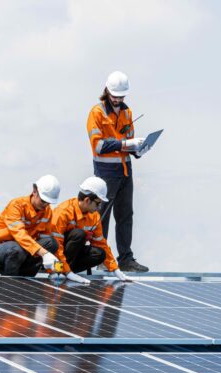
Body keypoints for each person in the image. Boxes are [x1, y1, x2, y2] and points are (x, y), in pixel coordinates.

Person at [86, 70, 151, 273]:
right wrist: (125, 144)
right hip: (105, 173)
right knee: (102, 217)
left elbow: (129, 144)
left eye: (121, 96)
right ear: (107, 91)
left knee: (125, 216)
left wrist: (139, 149)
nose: (117, 100)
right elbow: (98, 146)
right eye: (115, 96)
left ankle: (126, 259)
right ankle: (101, 258)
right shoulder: (97, 113)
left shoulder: (127, 112)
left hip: (124, 172)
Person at [51, 176, 130, 284]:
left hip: (70, 259)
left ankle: (69, 270)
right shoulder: (63, 213)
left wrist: (115, 269)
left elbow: (101, 243)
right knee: (79, 234)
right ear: (87, 200)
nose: (99, 207)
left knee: (100, 254)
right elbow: (56, 246)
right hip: (56, 259)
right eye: (98, 203)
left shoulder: (94, 216)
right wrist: (63, 270)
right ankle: (61, 271)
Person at [0, 175, 60, 277]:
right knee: (16, 248)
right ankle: (10, 282)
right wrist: (44, 253)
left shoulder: (47, 212)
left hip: (22, 254)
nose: (45, 205)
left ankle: (25, 278)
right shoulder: (16, 205)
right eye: (43, 201)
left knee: (51, 243)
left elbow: (45, 240)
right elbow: (19, 235)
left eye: (48, 203)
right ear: (34, 191)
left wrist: (54, 270)